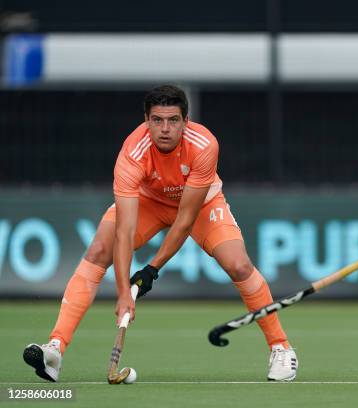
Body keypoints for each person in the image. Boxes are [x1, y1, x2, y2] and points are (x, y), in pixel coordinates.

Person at [23, 85, 298, 382]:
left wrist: (152, 269)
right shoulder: (132, 152)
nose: (165, 129)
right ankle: (55, 349)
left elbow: (185, 220)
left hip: (200, 205)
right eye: (157, 120)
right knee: (99, 249)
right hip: (148, 202)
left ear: (186, 120)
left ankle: (281, 348)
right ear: (146, 120)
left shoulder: (204, 145)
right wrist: (123, 293)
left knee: (239, 265)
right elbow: (125, 231)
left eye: (173, 120)